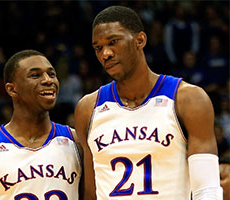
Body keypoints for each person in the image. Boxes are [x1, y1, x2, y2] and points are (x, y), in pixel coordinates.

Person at [74, 5, 222, 200]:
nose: (106, 54)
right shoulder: (88, 108)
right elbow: (90, 195)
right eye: (98, 48)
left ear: (140, 40)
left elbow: (207, 189)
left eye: (113, 42)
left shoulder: (187, 99)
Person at [0, 49, 82, 200]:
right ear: (12, 89)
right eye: (35, 75)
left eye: (51, 74)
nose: (48, 80)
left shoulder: (77, 141)